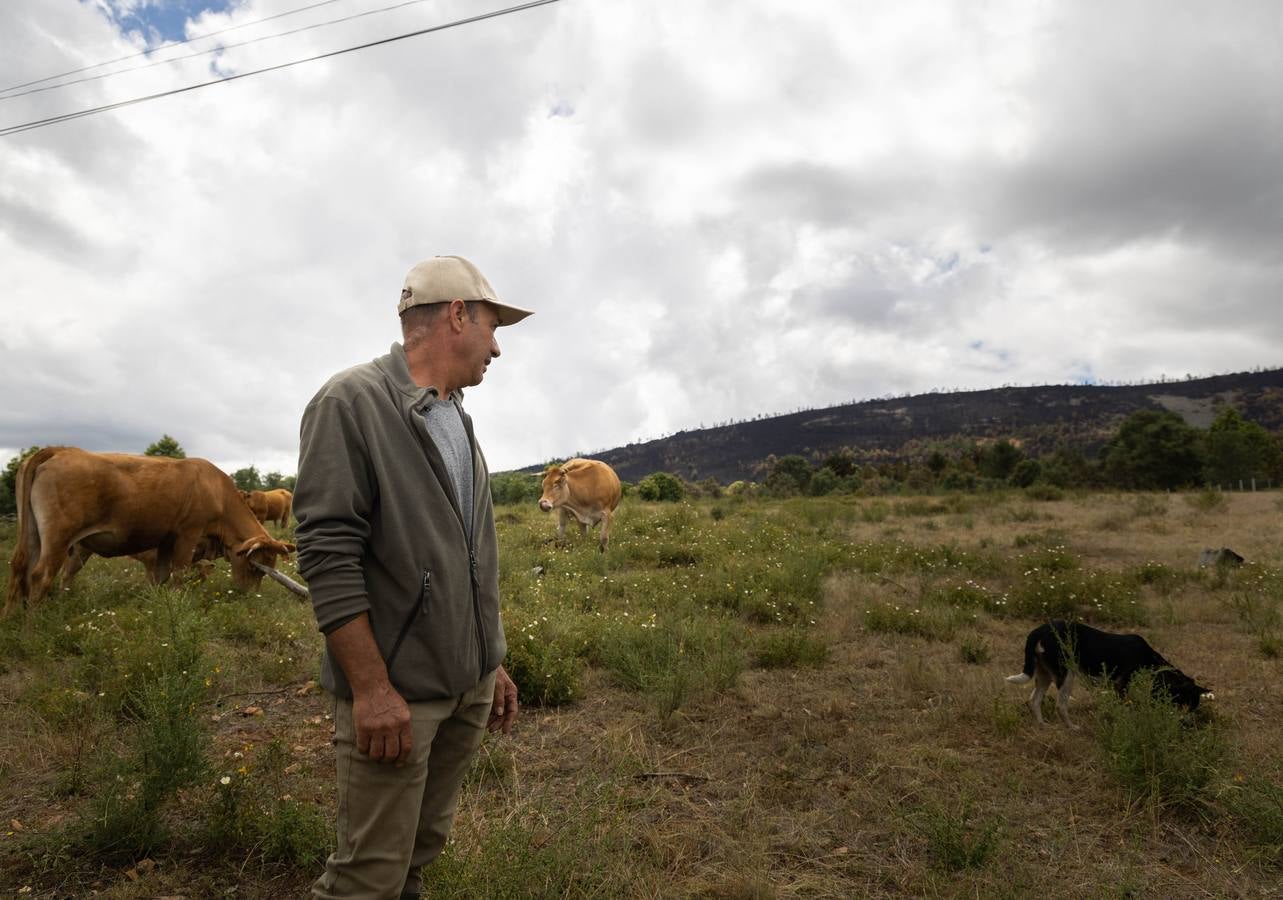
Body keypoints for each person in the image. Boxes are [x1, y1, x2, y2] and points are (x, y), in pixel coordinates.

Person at [294, 255, 531, 899]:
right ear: (458, 314)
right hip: (398, 695)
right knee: (367, 874)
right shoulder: (351, 402)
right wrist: (371, 689)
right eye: (492, 325)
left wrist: (490, 662)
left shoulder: (455, 414)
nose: (497, 347)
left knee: (419, 854)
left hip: (465, 689)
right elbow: (327, 552)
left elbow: (466, 555)